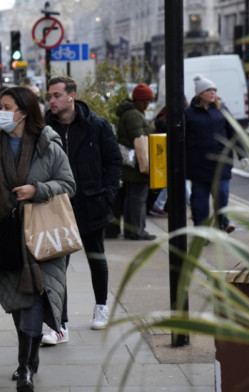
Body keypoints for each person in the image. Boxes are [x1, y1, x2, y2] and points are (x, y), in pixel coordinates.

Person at [0, 87, 76, 391]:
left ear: (23, 113)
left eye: (6, 106)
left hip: (43, 235)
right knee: (17, 304)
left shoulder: (47, 144)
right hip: (5, 236)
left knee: (31, 302)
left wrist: (36, 190)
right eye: (0, 106)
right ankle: (30, 357)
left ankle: (25, 367)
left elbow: (68, 184)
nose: (0, 111)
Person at [43, 76, 122, 343]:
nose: (51, 100)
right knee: (57, 266)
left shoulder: (97, 126)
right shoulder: (44, 127)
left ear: (71, 96)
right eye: (49, 96)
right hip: (57, 204)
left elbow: (113, 163)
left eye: (56, 95)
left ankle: (101, 306)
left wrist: (108, 194)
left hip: (91, 202)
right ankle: (59, 325)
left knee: (96, 258)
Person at [185, 75, 249, 232]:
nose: (213, 93)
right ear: (200, 94)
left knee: (222, 195)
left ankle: (222, 223)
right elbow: (182, 138)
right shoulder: (188, 113)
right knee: (200, 201)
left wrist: (242, 154)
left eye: (214, 90)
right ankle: (202, 230)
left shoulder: (222, 110)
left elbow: (234, 133)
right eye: (208, 90)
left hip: (221, 163)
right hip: (198, 165)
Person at [116, 83, 156, 240]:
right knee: (138, 199)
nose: (148, 103)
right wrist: (146, 166)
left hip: (131, 164)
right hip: (137, 164)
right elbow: (140, 141)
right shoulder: (134, 115)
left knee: (132, 198)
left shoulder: (131, 113)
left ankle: (130, 230)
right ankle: (138, 230)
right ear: (140, 100)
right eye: (147, 100)